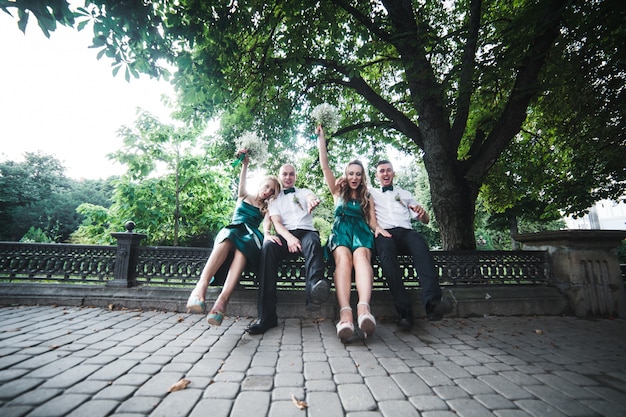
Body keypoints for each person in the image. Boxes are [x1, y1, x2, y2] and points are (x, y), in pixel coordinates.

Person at [186, 152, 281, 326]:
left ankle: (222, 302)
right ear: (260, 184)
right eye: (266, 186)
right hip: (233, 231)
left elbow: (267, 226)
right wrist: (245, 164)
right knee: (229, 234)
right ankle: (201, 287)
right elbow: (243, 179)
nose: (267, 192)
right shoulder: (244, 195)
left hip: (250, 236)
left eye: (272, 191)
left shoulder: (266, 208)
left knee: (244, 245)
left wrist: (267, 234)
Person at [316, 125, 390, 341]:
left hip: (361, 232)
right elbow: (325, 167)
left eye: (358, 174)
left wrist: (380, 230)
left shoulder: (368, 197)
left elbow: (373, 223)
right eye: (351, 173)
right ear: (346, 175)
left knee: (362, 258)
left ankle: (364, 310)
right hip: (341, 232)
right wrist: (322, 139)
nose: (354, 177)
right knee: (343, 261)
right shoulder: (338, 191)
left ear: (363, 176)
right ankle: (345, 314)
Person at [245, 163, 331, 335]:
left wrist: (312, 201)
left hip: (307, 233)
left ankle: (314, 292)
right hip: (285, 235)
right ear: (280, 176)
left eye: (291, 174)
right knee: (268, 247)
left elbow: (311, 198)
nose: (288, 177)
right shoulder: (274, 199)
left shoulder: (304, 192)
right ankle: (267, 316)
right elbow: (276, 222)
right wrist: (290, 238)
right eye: (285, 174)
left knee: (314, 242)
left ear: (295, 176)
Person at [370, 160, 453, 329]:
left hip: (406, 232)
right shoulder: (371, 193)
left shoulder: (405, 193)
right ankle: (405, 313)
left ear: (393, 173)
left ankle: (433, 304)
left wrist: (423, 214)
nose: (385, 174)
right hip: (384, 233)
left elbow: (425, 219)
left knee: (420, 244)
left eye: (389, 170)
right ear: (377, 176)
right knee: (386, 257)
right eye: (382, 171)